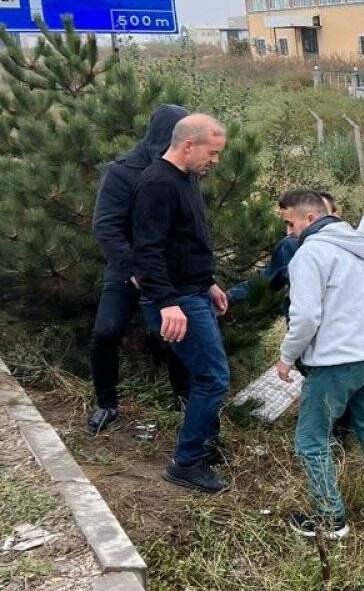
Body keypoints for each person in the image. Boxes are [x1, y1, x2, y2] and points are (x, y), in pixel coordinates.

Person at [273, 190, 364, 539]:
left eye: (290, 223)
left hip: (336, 364)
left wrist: (286, 357)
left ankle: (331, 519)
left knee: (311, 440)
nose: (289, 232)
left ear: (310, 219)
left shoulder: (311, 254)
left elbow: (306, 315)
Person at [132, 114, 232, 494]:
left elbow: (185, 242)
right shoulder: (157, 184)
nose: (216, 161)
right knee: (213, 377)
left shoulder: (186, 179)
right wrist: (167, 302)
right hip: (176, 300)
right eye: (213, 152)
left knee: (205, 374)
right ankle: (186, 462)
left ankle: (204, 445)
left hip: (193, 292)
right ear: (188, 145)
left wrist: (208, 282)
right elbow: (148, 250)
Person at [87, 104, 192, 433]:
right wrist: (133, 269)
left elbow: (188, 227)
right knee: (106, 331)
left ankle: (185, 401)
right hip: (127, 269)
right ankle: (106, 403)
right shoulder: (122, 172)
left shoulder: (182, 172)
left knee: (177, 335)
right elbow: (106, 227)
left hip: (167, 270)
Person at [227, 192, 338, 306]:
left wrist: (227, 298)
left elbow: (268, 281)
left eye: (291, 224)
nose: (289, 232)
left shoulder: (292, 245)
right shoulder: (350, 243)